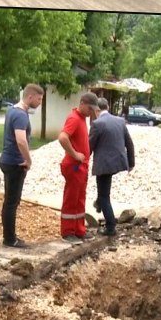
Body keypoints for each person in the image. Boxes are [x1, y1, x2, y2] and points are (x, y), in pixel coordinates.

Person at [0, 84, 44, 248]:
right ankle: (10, 239)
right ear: (30, 96)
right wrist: (28, 160)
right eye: (39, 99)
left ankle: (9, 236)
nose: (40, 103)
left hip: (7, 159)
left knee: (9, 201)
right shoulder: (21, 115)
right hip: (15, 162)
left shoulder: (12, 110)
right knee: (12, 202)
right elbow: (21, 140)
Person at [89, 97, 136, 237]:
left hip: (104, 165)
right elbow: (129, 143)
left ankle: (110, 227)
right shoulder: (120, 121)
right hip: (119, 162)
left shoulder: (97, 124)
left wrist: (82, 160)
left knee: (104, 196)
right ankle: (98, 203)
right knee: (103, 191)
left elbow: (89, 146)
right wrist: (131, 163)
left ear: (97, 110)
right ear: (108, 107)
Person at [58, 92, 99, 241]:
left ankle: (79, 230)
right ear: (82, 104)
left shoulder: (82, 118)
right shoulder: (74, 118)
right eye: (89, 109)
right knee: (71, 199)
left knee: (80, 198)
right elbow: (62, 137)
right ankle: (68, 232)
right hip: (74, 166)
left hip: (81, 167)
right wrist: (75, 154)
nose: (91, 113)